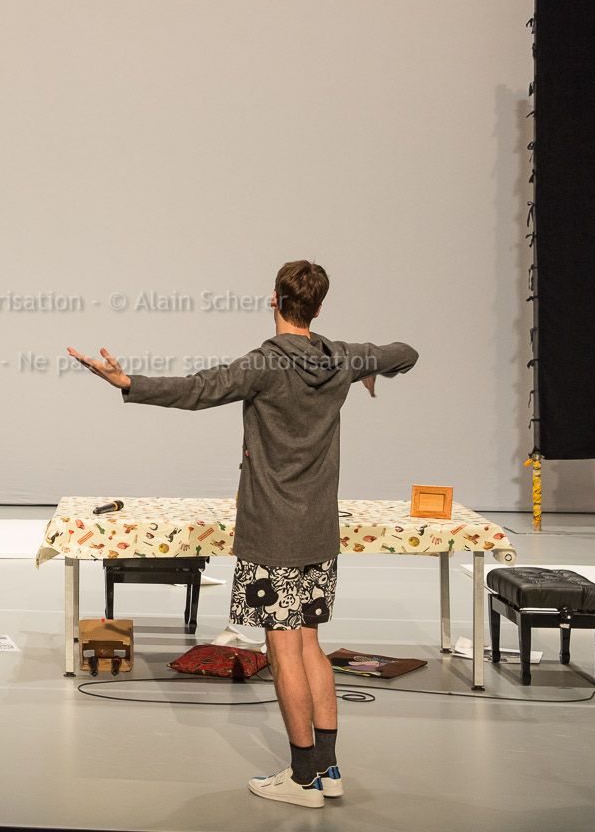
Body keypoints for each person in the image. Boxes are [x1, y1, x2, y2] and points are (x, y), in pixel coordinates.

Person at [68, 260, 417, 809]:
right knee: (310, 645)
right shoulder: (341, 357)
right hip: (318, 532)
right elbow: (405, 353)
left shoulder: (265, 364)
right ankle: (328, 770)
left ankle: (302, 778)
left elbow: (197, 390)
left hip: (273, 532)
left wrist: (128, 382)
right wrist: (371, 370)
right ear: (319, 307)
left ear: (274, 299)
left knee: (284, 651)